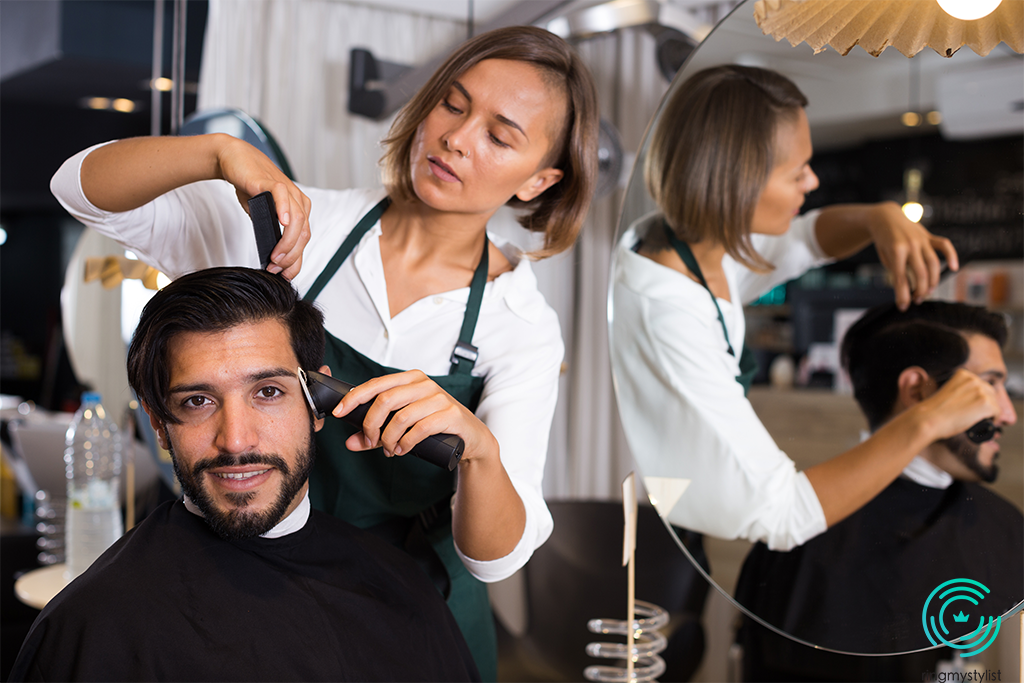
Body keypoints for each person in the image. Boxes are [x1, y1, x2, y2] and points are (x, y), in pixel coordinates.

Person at [49, 26, 598, 679]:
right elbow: (78, 188)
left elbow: (495, 555)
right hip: (256, 585)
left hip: (418, 620)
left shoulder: (519, 324)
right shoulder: (294, 228)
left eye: (499, 135)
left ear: (538, 181)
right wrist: (217, 153)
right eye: (452, 104)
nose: (455, 136)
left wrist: (477, 448)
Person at [7, 267, 481, 683]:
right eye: (197, 401)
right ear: (159, 425)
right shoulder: (90, 625)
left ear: (318, 404)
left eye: (268, 392)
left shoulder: (401, 588)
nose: (235, 440)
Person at [609, 64, 1000, 550]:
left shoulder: (683, 240)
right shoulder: (667, 314)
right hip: (646, 533)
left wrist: (877, 218)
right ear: (739, 184)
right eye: (797, 172)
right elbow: (783, 514)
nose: (812, 182)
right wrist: (927, 422)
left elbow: (804, 240)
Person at [733, 301, 1024, 679]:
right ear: (918, 392)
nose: (1007, 413)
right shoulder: (799, 538)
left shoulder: (1006, 527)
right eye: (987, 385)